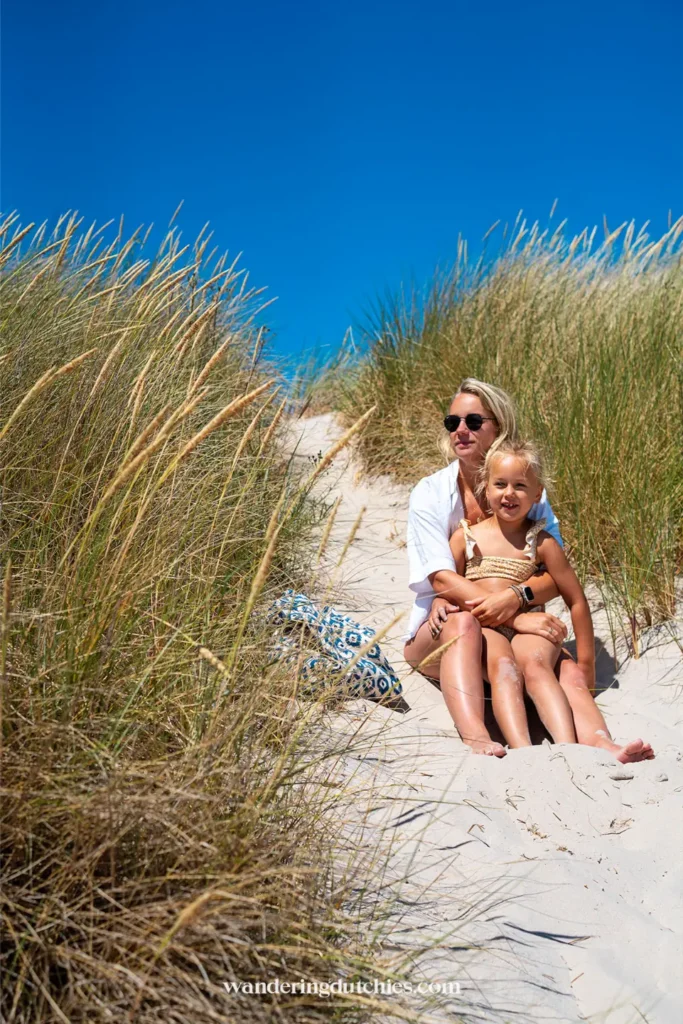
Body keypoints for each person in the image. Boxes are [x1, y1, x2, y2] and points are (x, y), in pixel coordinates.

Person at [403, 377, 654, 762]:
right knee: (464, 628)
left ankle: (600, 745)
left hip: (518, 636)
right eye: (452, 423)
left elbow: (558, 574)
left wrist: (519, 599)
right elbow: (440, 577)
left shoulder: (528, 488)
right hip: (447, 627)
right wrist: (517, 619)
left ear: (498, 427)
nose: (461, 431)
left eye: (473, 420)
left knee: (566, 671)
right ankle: (475, 735)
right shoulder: (431, 493)